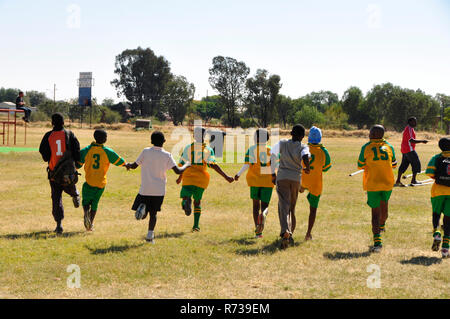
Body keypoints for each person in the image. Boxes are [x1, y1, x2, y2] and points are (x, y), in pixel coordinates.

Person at [126, 131, 190, 244]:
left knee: (145, 211)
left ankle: (143, 209)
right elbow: (177, 171)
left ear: (151, 141)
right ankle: (150, 236)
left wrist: (128, 165)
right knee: (154, 214)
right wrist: (187, 165)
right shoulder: (167, 155)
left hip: (145, 188)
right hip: (159, 191)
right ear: (164, 141)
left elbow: (135, 166)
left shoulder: (145, 151)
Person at [177, 126, 234, 232]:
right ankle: (196, 226)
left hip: (188, 177)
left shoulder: (188, 148)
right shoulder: (208, 150)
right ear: (205, 136)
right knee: (197, 202)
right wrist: (226, 176)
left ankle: (185, 202)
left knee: (185, 196)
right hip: (201, 180)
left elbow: (183, 164)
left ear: (194, 135)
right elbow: (213, 165)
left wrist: (180, 177)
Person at [75, 129, 127, 231]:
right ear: (104, 139)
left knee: (86, 201)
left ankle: (86, 212)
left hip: (89, 181)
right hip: (100, 183)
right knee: (95, 203)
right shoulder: (107, 151)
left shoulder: (86, 150)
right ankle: (90, 225)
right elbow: (119, 161)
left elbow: (78, 164)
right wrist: (126, 165)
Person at [39, 113, 81, 234]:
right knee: (69, 187)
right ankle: (75, 194)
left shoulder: (48, 135)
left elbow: (44, 154)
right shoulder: (69, 134)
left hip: (54, 173)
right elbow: (76, 150)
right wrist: (77, 164)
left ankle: (59, 224)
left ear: (52, 123)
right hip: (68, 172)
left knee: (56, 198)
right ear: (64, 122)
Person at [357, 125, 397, 252]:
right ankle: (382, 225)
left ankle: (377, 242)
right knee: (384, 207)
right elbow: (394, 165)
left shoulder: (366, 147)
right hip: (387, 183)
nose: (368, 135)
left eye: (370, 133)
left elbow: (360, 165)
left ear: (373, 134)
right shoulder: (389, 147)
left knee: (375, 213)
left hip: (373, 184)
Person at [271, 124, 310, 249]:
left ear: (291, 133)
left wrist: (272, 173)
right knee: (292, 208)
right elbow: (305, 156)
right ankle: (290, 235)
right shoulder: (303, 146)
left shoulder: (282, 143)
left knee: (283, 207)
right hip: (295, 179)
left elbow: (272, 154)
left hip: (282, 177)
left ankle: (285, 232)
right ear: (302, 136)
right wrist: (307, 167)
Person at [234, 128, 276, 238]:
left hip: (254, 180)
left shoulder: (252, 149)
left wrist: (238, 174)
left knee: (255, 206)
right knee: (265, 206)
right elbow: (275, 165)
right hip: (267, 180)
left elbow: (247, 164)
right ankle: (264, 215)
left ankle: (258, 232)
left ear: (257, 138)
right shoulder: (271, 150)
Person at [300, 126, 331, 241]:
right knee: (313, 209)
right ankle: (308, 234)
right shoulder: (323, 151)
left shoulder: (303, 148)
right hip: (315, 183)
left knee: (291, 205)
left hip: (301, 180)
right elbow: (326, 168)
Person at [425, 137, 450, 258]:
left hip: (438, 191)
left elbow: (430, 173)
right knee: (448, 219)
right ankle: (445, 249)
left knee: (436, 214)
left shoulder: (436, 158)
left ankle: (436, 232)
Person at [395, 117, 428, 186]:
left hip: (405, 150)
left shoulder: (409, 129)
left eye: (416, 121)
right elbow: (411, 140)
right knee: (416, 163)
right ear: (409, 122)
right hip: (409, 149)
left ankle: (398, 180)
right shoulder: (409, 129)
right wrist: (422, 141)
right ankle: (413, 180)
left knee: (404, 165)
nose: (415, 123)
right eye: (414, 122)